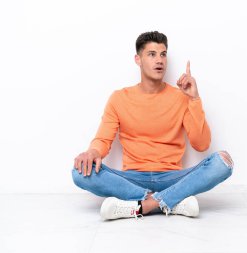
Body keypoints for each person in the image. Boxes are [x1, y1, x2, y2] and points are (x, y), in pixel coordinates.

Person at [71, 31, 234, 221]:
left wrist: (194, 99)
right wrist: (93, 152)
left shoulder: (181, 97)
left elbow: (201, 144)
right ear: (138, 59)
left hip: (172, 177)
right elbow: (103, 140)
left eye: (163, 54)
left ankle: (143, 205)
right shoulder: (119, 98)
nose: (159, 60)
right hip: (132, 178)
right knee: (79, 172)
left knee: (223, 162)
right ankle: (169, 203)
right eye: (152, 54)